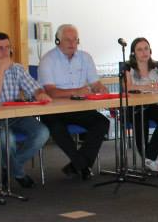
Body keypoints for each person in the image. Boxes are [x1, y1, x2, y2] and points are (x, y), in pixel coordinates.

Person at [0, 32, 51, 188]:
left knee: (42, 132)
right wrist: (1, 70)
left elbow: (34, 87)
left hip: (15, 115)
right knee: (7, 138)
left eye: (7, 47)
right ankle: (18, 172)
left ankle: (6, 165)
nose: (5, 52)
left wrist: (39, 94)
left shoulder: (17, 68)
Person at [37, 24, 110, 180]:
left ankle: (76, 165)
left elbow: (95, 83)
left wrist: (100, 88)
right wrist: (75, 92)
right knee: (56, 128)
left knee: (102, 122)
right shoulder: (48, 59)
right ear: (58, 41)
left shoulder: (85, 58)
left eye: (75, 40)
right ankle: (82, 165)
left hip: (79, 107)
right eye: (67, 40)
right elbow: (50, 92)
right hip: (53, 110)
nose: (72, 43)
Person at [125, 37, 158, 173]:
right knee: (141, 122)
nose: (144, 52)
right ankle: (149, 159)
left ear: (150, 50)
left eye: (146, 48)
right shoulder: (128, 67)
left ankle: (149, 157)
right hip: (135, 106)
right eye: (140, 50)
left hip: (153, 104)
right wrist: (147, 86)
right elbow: (127, 88)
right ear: (133, 53)